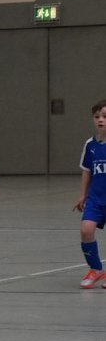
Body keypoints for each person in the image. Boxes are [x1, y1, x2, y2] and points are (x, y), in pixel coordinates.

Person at [73, 100, 106, 288]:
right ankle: (96, 269)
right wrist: (82, 195)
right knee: (86, 231)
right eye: (97, 117)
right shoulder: (90, 145)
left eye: (105, 116)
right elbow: (87, 171)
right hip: (95, 199)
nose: (100, 120)